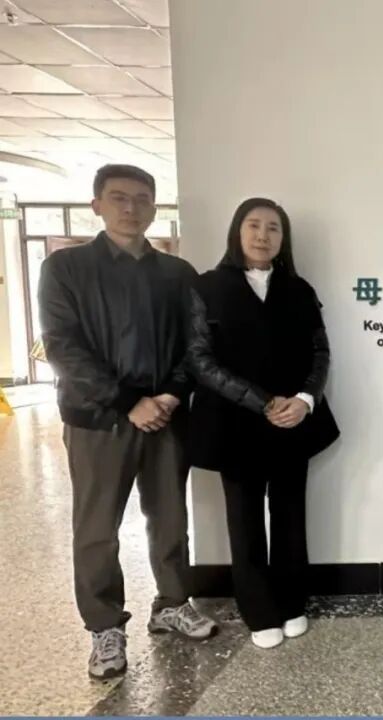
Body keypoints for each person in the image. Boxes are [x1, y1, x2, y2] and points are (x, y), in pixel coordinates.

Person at [38, 164, 218, 680]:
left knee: (170, 516)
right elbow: (63, 347)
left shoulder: (177, 273)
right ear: (96, 204)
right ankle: (104, 627)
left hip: (166, 416)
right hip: (98, 419)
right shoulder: (66, 268)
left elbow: (195, 344)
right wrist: (127, 401)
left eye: (142, 199)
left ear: (154, 208)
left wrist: (171, 394)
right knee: (97, 528)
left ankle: (172, 604)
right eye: (118, 197)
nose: (130, 208)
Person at [187, 198, 339, 649]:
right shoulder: (207, 287)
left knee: (291, 516)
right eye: (253, 225)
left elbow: (320, 352)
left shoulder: (299, 289)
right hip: (234, 424)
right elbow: (199, 359)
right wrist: (263, 402)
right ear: (237, 232)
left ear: (283, 238)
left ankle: (293, 603)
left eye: (273, 228)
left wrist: (306, 400)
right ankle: (258, 611)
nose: (262, 235)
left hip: (294, 420)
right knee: (245, 520)